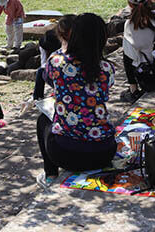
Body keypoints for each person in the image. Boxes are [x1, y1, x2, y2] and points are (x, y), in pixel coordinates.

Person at [36, 13, 115, 186]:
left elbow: (48, 78)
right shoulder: (107, 68)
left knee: (43, 120)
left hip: (66, 154)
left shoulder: (56, 61)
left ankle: (50, 174)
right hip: (105, 152)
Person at [120, 0, 155, 102]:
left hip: (148, 75)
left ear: (130, 5)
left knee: (126, 53)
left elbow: (129, 56)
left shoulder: (129, 24)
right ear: (150, 1)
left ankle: (133, 89)